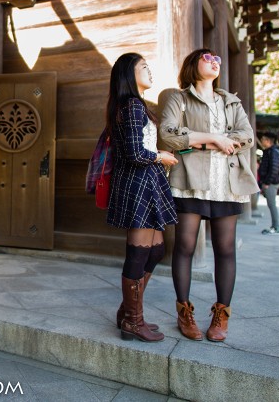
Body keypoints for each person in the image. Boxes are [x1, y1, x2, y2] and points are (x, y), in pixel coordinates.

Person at [158, 49, 259, 342]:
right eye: (207, 58)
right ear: (193, 64)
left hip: (227, 182)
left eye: (217, 59)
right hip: (190, 179)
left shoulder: (231, 101)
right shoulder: (179, 99)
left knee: (226, 249)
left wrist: (200, 141)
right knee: (185, 245)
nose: (215, 62)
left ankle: (221, 314)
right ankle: (184, 311)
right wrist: (214, 138)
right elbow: (168, 135)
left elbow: (247, 137)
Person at [105, 53, 179, 343]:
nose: (150, 71)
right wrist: (161, 155)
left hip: (146, 182)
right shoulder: (133, 105)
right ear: (128, 74)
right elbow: (136, 153)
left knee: (156, 251)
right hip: (140, 184)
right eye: (143, 67)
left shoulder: (134, 106)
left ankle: (127, 312)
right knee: (139, 253)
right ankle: (134, 322)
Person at [258, 132, 279, 235]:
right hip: (269, 182)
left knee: (272, 204)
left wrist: (267, 182)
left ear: (268, 141)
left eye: (263, 139)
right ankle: (274, 226)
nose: (262, 141)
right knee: (271, 204)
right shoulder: (269, 151)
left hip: (271, 183)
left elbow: (274, 169)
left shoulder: (273, 152)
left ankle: (276, 227)